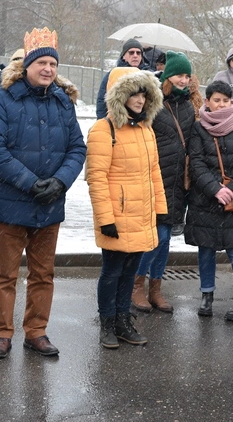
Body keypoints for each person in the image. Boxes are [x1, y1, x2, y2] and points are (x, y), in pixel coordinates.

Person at [0, 28, 86, 358]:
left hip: (50, 205)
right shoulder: (2, 98)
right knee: (4, 275)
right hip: (11, 204)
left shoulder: (62, 101)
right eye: (41, 62)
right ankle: (2, 333)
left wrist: (60, 182)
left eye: (52, 64)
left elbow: (76, 148)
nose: (48, 70)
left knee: (43, 274)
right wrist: (30, 183)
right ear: (26, 65)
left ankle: (36, 331)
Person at [86, 67, 167, 348]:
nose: (139, 99)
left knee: (130, 272)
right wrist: (105, 218)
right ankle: (107, 322)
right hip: (117, 215)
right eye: (133, 93)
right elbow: (96, 177)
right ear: (120, 97)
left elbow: (154, 171)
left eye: (144, 94)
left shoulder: (146, 130)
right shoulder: (103, 129)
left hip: (142, 214)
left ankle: (123, 320)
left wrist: (160, 208)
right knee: (112, 271)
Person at [131, 51, 200, 314]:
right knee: (157, 237)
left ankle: (156, 289)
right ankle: (136, 285)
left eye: (187, 75)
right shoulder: (153, 101)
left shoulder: (191, 104)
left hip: (179, 183)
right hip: (156, 179)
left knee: (166, 238)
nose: (184, 80)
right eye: (180, 74)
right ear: (168, 75)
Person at [186, 81, 233, 320]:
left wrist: (232, 189)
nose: (222, 104)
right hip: (205, 198)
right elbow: (195, 163)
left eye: (226, 100)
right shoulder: (199, 128)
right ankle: (207, 295)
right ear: (207, 102)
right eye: (217, 100)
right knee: (206, 249)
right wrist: (215, 189)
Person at [96, 38, 150, 119]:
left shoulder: (148, 75)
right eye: (131, 52)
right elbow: (102, 101)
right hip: (118, 122)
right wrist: (103, 122)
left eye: (138, 53)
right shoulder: (113, 74)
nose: (135, 55)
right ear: (124, 56)